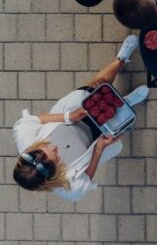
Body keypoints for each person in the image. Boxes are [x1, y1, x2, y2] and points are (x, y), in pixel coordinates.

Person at [12, 36, 148, 202]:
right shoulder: (67, 189)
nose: (54, 148)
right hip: (94, 140)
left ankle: (120, 60)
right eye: (55, 155)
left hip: (73, 115)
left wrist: (69, 116)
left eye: (45, 148)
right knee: (115, 118)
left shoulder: (25, 143)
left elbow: (36, 120)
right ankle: (125, 101)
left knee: (98, 85)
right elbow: (86, 179)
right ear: (51, 177)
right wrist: (98, 149)